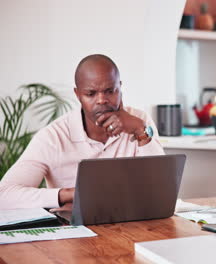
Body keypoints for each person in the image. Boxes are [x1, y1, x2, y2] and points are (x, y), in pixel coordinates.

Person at [0, 54, 165, 210]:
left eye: (110, 91)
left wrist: (140, 131)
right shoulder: (53, 136)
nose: (101, 100)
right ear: (78, 95)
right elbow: (4, 195)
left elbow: (162, 190)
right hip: (76, 231)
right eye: (91, 94)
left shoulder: (139, 120)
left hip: (134, 224)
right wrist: (70, 194)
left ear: (120, 88)